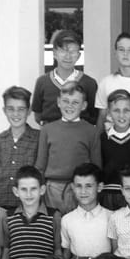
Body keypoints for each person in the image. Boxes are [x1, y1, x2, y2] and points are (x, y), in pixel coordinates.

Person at [35, 81, 102, 215]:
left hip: (80, 188)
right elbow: (40, 165)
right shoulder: (47, 130)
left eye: (75, 102)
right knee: (55, 224)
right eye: (66, 101)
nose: (69, 106)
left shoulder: (91, 131)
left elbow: (96, 166)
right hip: (52, 188)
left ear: (84, 106)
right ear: (58, 102)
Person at [1, 166, 61, 259]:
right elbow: (6, 250)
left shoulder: (54, 216)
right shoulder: (8, 217)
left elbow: (57, 249)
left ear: (42, 190)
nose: (28, 194)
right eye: (23, 189)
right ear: (16, 191)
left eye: (33, 189)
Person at [61, 163, 112, 259]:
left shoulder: (111, 217)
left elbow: (115, 250)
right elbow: (66, 251)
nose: (83, 191)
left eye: (89, 186)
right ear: (73, 187)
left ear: (99, 187)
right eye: (79, 186)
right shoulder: (67, 219)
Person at [0, 85, 40, 211]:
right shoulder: (0, 139)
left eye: (21, 109)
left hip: (28, 206)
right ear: (4, 110)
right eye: (11, 109)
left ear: (29, 111)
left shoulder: (39, 138)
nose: (16, 114)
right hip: (1, 202)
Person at [31, 29, 98, 126]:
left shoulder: (89, 83)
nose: (68, 56)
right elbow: (38, 115)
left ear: (79, 55)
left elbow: (94, 115)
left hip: (80, 133)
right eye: (63, 51)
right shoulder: (42, 82)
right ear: (54, 53)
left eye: (72, 52)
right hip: (51, 134)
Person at [99, 89, 130, 211]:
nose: (121, 115)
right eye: (116, 110)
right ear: (109, 113)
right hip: (108, 196)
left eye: (126, 110)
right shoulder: (102, 139)